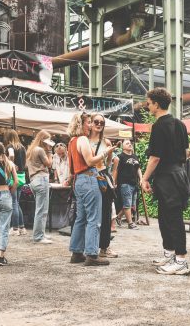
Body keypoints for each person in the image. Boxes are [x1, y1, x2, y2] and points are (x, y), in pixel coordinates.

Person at [140, 88, 190, 276]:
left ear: (156, 104)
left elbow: (155, 157)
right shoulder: (180, 124)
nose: (147, 105)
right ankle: (170, 254)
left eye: (149, 102)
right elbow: (186, 153)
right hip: (177, 174)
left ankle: (181, 261)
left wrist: (144, 178)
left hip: (167, 176)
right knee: (165, 217)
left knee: (173, 219)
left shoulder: (159, 126)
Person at [68, 112, 115, 266]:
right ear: (81, 124)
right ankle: (92, 255)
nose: (91, 125)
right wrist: (105, 153)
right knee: (94, 218)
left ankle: (76, 252)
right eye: (89, 122)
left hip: (78, 181)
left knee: (81, 218)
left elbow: (72, 167)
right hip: (88, 178)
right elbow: (90, 161)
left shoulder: (72, 141)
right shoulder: (82, 139)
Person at [89, 113, 118, 258]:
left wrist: (110, 156)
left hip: (102, 177)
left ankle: (104, 247)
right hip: (88, 178)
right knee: (89, 214)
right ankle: (87, 247)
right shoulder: (84, 141)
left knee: (105, 213)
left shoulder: (106, 142)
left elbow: (108, 163)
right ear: (90, 123)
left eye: (102, 122)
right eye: (96, 121)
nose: (99, 124)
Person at [27, 130, 54, 244]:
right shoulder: (41, 150)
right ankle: (38, 236)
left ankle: (40, 233)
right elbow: (49, 164)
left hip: (33, 180)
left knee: (40, 209)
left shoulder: (31, 150)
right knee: (42, 210)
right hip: (41, 179)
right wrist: (50, 152)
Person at [3, 129, 28, 236]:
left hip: (14, 176)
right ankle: (22, 227)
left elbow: (11, 155)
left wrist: (10, 164)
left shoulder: (10, 147)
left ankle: (15, 229)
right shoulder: (22, 147)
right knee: (17, 202)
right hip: (22, 176)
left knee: (13, 203)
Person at [113, 139, 142, 230]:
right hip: (125, 183)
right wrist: (114, 182)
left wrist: (141, 179)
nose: (130, 144)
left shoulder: (135, 156)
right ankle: (130, 223)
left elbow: (138, 169)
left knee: (132, 205)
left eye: (130, 143)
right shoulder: (120, 157)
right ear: (123, 147)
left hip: (134, 183)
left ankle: (118, 217)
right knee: (127, 204)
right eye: (127, 143)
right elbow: (116, 170)